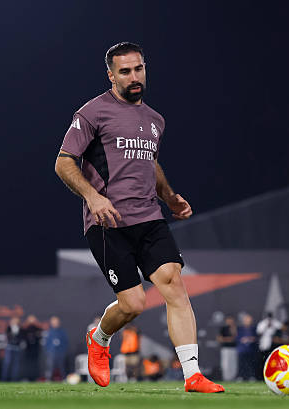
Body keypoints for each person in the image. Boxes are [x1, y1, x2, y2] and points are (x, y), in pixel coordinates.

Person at [54, 42, 223, 393]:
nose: (134, 77)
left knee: (173, 282)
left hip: (150, 217)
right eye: (125, 71)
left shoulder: (155, 120)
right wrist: (93, 197)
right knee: (133, 304)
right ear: (111, 75)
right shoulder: (92, 112)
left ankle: (193, 375)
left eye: (139, 69)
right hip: (108, 221)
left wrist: (170, 197)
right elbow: (64, 161)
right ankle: (99, 338)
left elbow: (151, 164)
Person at [44, 316, 69, 381]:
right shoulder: (49, 331)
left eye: (56, 322)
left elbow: (65, 342)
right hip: (51, 352)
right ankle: (48, 379)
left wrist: (63, 350)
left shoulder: (62, 332)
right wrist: (49, 350)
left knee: (62, 366)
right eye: (54, 322)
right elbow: (46, 343)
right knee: (50, 366)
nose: (55, 323)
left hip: (60, 352)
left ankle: (63, 378)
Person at [20, 315, 42, 381]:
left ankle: (35, 377)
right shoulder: (25, 329)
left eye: (33, 320)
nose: (31, 322)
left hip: (35, 350)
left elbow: (40, 334)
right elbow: (22, 333)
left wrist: (37, 324)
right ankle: (26, 377)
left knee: (35, 364)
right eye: (30, 320)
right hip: (27, 350)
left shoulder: (37, 329)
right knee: (27, 364)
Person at [236, 313, 257, 381]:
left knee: (251, 364)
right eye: (247, 319)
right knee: (241, 364)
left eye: (249, 320)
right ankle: (241, 376)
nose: (248, 321)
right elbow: (238, 338)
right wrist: (243, 339)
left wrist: (251, 339)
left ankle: (251, 376)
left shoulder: (253, 328)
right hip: (242, 350)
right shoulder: (240, 329)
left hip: (251, 349)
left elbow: (256, 338)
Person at [216, 316, 238, 381]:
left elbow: (236, 338)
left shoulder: (235, 328)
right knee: (225, 364)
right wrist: (229, 339)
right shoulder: (223, 328)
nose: (230, 321)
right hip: (225, 348)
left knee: (233, 364)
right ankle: (226, 378)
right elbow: (219, 339)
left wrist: (233, 330)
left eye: (231, 320)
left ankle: (233, 377)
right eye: (228, 320)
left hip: (233, 348)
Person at [1, 316, 22, 381]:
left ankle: (14, 379)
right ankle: (4, 379)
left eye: (16, 321)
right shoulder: (8, 328)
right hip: (9, 348)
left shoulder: (20, 329)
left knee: (16, 365)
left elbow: (21, 337)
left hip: (17, 348)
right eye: (14, 320)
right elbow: (7, 336)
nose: (15, 322)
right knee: (7, 363)